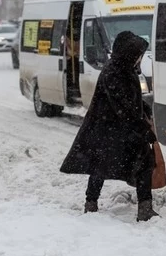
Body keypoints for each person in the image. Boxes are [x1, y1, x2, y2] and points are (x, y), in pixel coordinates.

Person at [60, 31, 159, 221]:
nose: (140, 58)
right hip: (107, 130)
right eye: (137, 54)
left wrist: (144, 108)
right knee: (103, 166)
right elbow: (123, 107)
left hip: (118, 130)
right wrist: (144, 130)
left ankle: (143, 207)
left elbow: (131, 100)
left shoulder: (124, 68)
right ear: (128, 53)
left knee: (139, 163)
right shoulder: (114, 73)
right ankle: (92, 203)